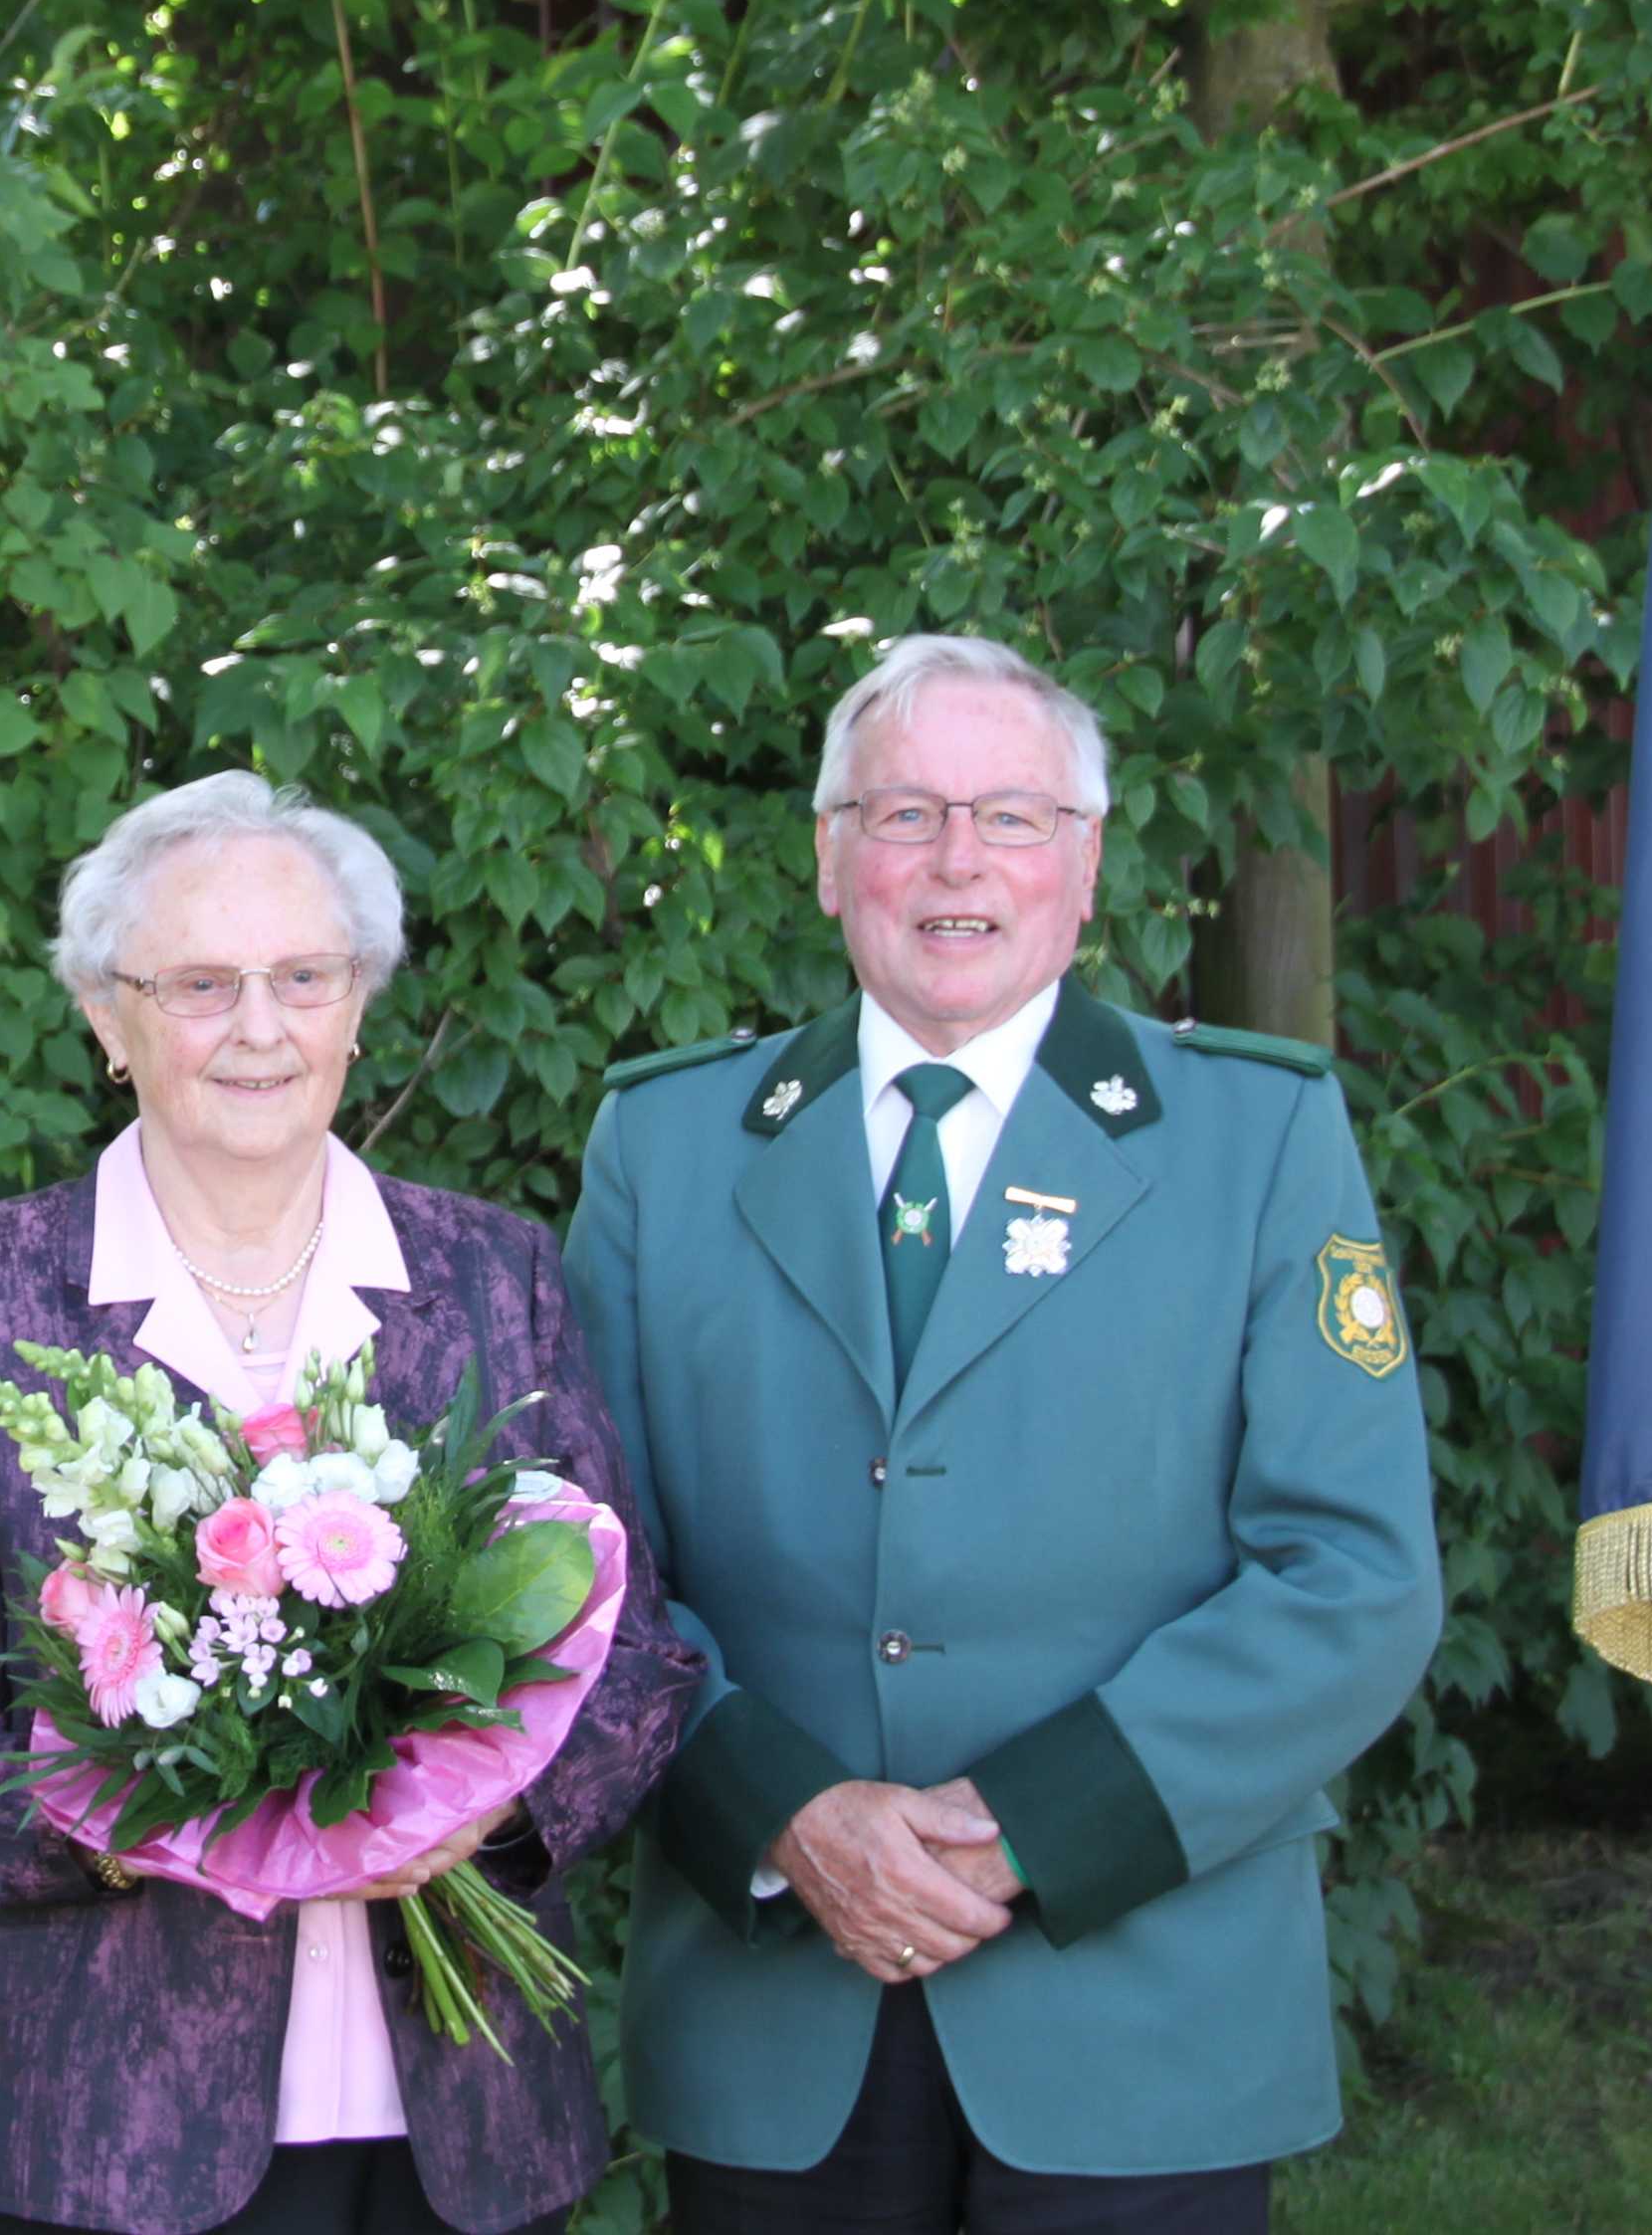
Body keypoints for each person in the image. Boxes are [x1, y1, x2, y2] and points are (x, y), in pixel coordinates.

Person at [564, 631, 1442, 2235]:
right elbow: (582, 1567)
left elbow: (1354, 1576)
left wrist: (1029, 1826)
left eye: (1013, 818)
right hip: (777, 2003)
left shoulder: (1259, 1137)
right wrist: (786, 1814)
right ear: (830, 861)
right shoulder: (669, 1146)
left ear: (1085, 864)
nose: (956, 861)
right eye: (901, 815)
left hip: (1143, 2007)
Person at [0, 772, 698, 2235]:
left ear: (359, 1003)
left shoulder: (495, 1274)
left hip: (460, 2123)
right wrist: (119, 1819)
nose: (261, 1028)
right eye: (202, 985)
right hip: (108, 2137)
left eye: (302, 978)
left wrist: (488, 1819)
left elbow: (639, 1660)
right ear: (107, 1015)